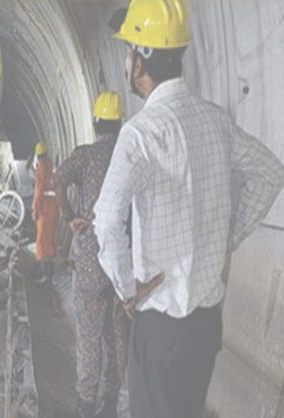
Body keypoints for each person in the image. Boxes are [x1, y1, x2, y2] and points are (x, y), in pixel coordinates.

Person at [94, 1, 284, 417]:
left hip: (162, 328)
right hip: (205, 327)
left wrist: (127, 290)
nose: (125, 62)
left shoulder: (140, 135)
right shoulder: (215, 122)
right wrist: (228, 234)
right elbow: (270, 172)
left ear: (140, 62)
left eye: (128, 52)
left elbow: (106, 222)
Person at [53, 91, 139, 418]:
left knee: (89, 338)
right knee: (117, 339)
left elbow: (57, 178)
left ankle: (86, 405)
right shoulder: (129, 157)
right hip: (119, 269)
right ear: (120, 124)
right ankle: (110, 406)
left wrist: (70, 216)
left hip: (89, 264)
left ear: (94, 122)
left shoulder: (85, 156)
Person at [32, 142, 59, 283]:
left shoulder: (42, 167)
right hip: (54, 205)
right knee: (51, 239)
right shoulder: (51, 165)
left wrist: (35, 210)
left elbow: (39, 190)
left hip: (45, 207)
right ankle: (50, 273)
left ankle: (45, 274)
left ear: (38, 155)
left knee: (42, 241)